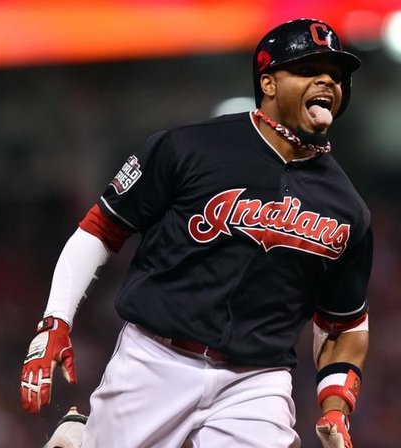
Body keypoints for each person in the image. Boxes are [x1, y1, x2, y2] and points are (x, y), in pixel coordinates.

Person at [21, 18, 372, 448]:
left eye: (335, 75)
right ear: (269, 83)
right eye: (307, 69)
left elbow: (344, 325)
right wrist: (55, 320)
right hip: (155, 359)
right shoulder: (188, 148)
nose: (327, 81)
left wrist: (336, 405)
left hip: (257, 381)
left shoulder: (347, 208)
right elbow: (100, 229)